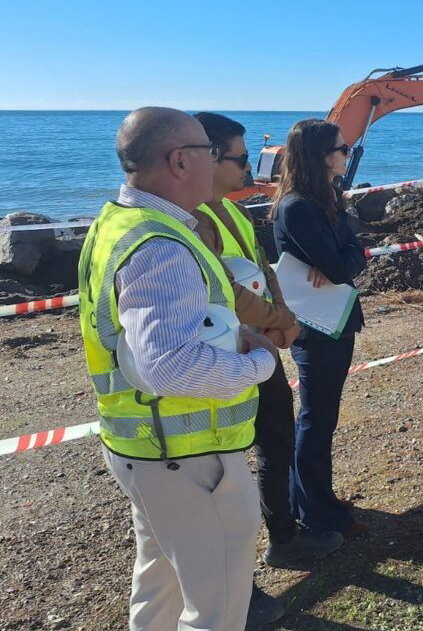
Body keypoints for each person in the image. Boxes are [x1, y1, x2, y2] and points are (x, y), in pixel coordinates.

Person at [77, 107, 280, 629]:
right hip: (189, 458)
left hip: (145, 450)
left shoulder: (118, 223)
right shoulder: (162, 247)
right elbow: (170, 368)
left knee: (158, 587)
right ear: (180, 161)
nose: (217, 162)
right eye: (210, 153)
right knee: (215, 610)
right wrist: (260, 362)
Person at [193, 112, 344, 570]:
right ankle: (246, 569)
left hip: (258, 345)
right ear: (209, 157)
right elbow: (222, 285)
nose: (248, 168)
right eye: (241, 158)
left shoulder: (232, 210)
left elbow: (262, 268)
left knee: (275, 444)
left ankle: (283, 535)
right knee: (227, 467)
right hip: (224, 352)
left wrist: (281, 320)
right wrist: (280, 320)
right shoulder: (194, 221)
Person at [271, 118, 368, 539]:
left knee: (321, 416)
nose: (347, 156)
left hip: (334, 319)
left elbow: (351, 256)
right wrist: (344, 258)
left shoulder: (324, 198)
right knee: (316, 418)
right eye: (342, 149)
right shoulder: (297, 207)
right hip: (317, 327)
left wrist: (345, 256)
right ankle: (315, 509)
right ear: (320, 156)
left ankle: (308, 499)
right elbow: (344, 263)